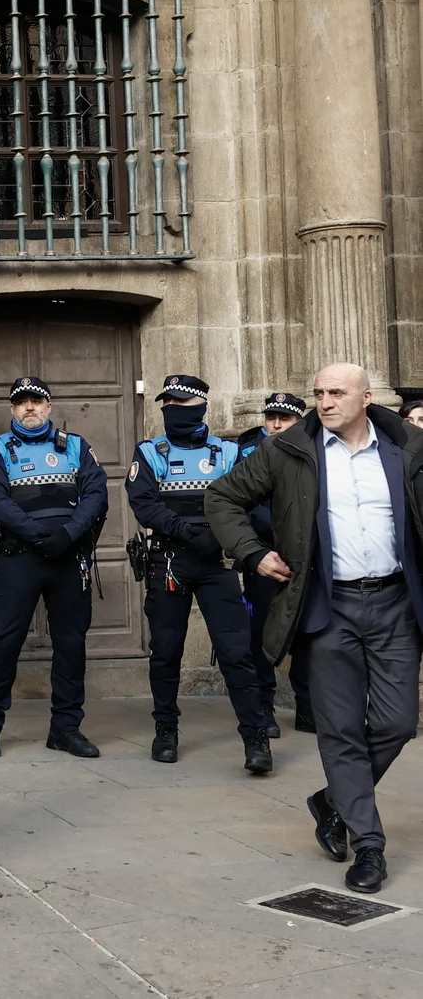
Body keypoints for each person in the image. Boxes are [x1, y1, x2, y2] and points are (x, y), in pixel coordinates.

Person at [208, 363, 423, 895]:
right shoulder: (288, 451)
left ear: (367, 398)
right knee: (341, 729)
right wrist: (253, 552)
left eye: (337, 393)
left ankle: (333, 800)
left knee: (398, 723)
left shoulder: (408, 448)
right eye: (319, 393)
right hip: (327, 607)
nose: (325, 402)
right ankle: (368, 845)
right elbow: (222, 497)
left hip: (396, 602)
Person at [127, 375, 272, 772]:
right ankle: (165, 730)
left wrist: (219, 535)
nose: (171, 407)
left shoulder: (229, 452)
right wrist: (191, 533)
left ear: (201, 405)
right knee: (166, 651)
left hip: (217, 565)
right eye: (167, 402)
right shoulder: (149, 452)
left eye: (180, 401)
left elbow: (249, 499)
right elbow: (145, 504)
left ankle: (256, 739)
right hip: (169, 561)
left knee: (236, 653)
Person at [0, 377, 108, 759]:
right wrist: (38, 536)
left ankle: (65, 729)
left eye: (36, 401)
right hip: (20, 558)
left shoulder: (76, 446)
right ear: (12, 409)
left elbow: (96, 494)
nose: (29, 407)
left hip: (68, 558)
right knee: (4, 641)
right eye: (21, 402)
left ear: (49, 406)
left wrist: (68, 534)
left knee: (71, 644)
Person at [236, 392, 312, 736]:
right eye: (271, 417)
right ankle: (263, 706)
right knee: (261, 633)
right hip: (265, 556)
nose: (277, 424)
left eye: (285, 418)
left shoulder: (313, 449)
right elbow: (242, 504)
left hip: (307, 557)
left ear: (300, 421)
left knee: (309, 631)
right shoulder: (247, 451)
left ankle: (308, 707)